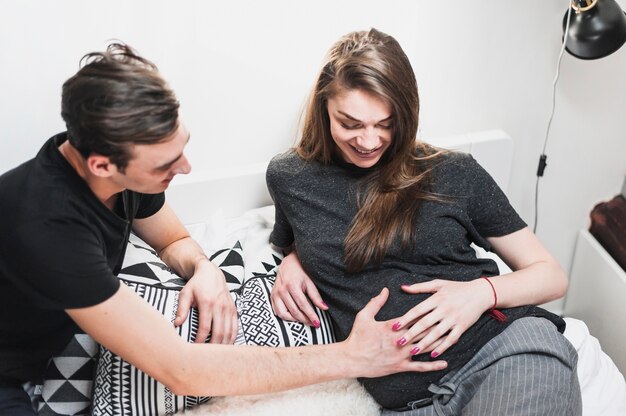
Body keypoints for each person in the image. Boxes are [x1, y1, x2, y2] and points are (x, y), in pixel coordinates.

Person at [0, 43, 447, 416]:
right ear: (102, 165)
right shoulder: (48, 226)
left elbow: (173, 240)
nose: (186, 168)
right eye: (165, 165)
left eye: (183, 146)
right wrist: (350, 356)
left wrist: (203, 267)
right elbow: (181, 369)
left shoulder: (100, 157)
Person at [267, 28, 582, 415]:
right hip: (408, 405)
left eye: (386, 123)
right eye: (350, 123)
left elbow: (551, 275)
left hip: (501, 353)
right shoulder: (290, 178)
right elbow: (305, 235)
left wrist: (480, 292)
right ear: (323, 108)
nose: (368, 140)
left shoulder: (453, 173)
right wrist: (295, 258)